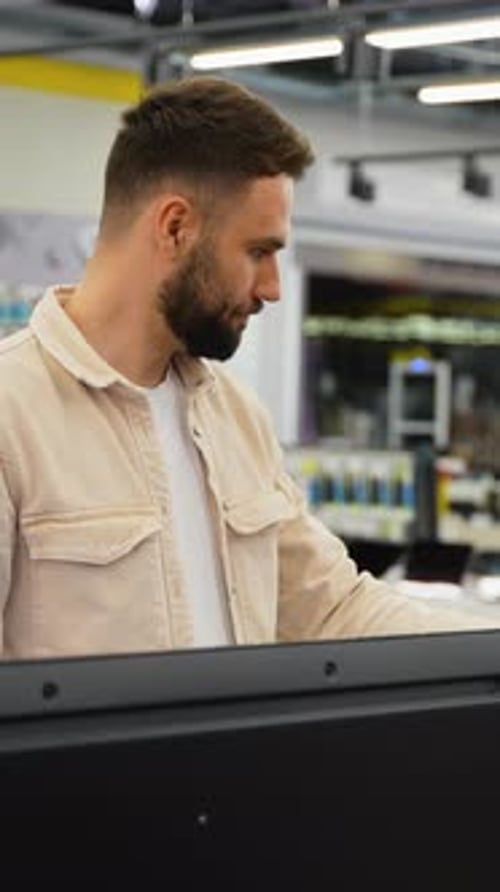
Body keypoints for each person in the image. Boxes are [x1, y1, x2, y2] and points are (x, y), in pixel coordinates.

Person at [0, 76, 494, 659]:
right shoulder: (14, 415)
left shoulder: (234, 418)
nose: (274, 288)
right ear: (175, 227)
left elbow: (332, 609)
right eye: (259, 251)